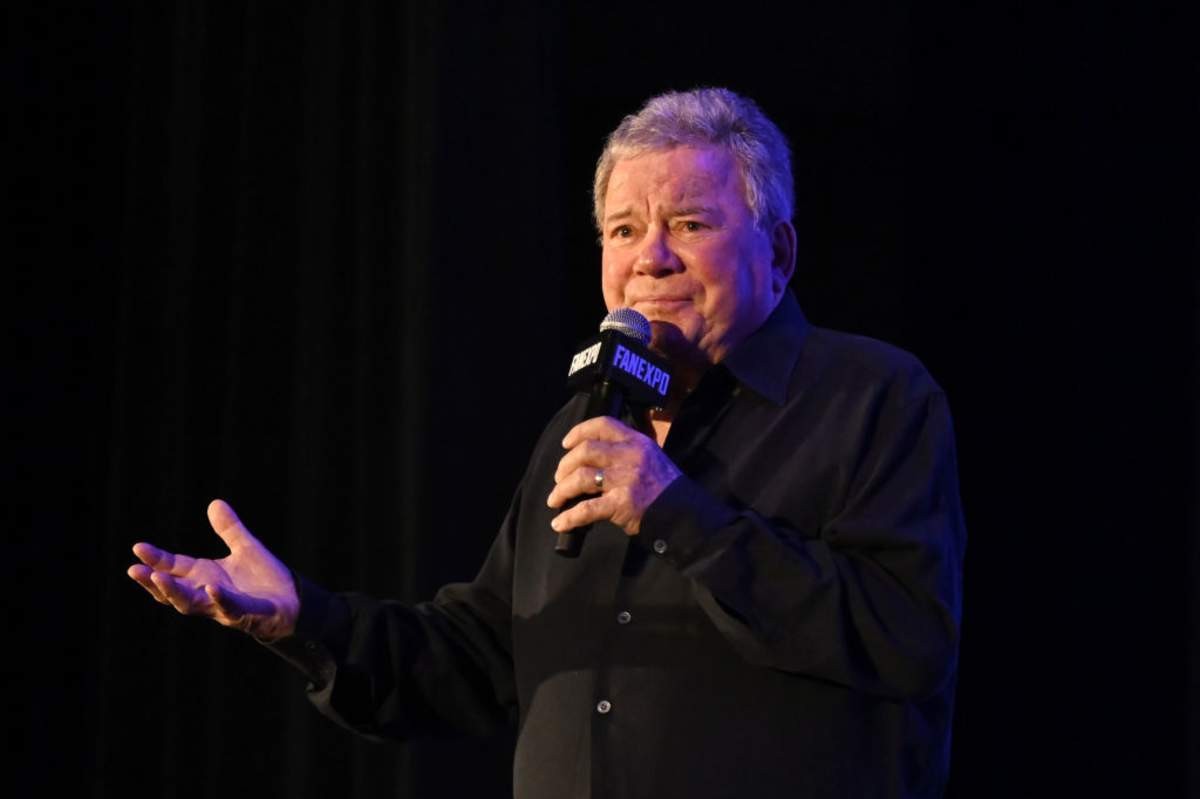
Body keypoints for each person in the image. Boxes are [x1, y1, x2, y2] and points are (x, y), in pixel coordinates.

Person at [128, 87, 966, 798]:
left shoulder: (872, 398)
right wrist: (302, 619)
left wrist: (675, 511)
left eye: (689, 222)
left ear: (777, 251)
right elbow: (482, 658)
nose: (652, 259)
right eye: (624, 230)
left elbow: (905, 639)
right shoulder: (589, 424)